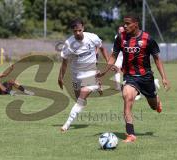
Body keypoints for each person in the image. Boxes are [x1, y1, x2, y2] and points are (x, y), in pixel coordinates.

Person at [97, 13, 170, 142]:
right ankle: (130, 134)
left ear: (136, 24)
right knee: (127, 97)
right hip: (130, 76)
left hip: (146, 77)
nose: (124, 26)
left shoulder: (148, 39)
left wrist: (164, 78)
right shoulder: (120, 38)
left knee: (153, 106)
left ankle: (157, 101)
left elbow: (157, 59)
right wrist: (104, 71)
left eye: (127, 24)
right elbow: (113, 56)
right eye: (124, 23)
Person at [58, 18, 109, 132]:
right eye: (75, 31)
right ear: (72, 31)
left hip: (90, 73)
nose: (78, 33)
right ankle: (97, 85)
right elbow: (64, 62)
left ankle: (66, 125)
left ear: (83, 28)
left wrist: (108, 63)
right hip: (76, 75)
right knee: (80, 101)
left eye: (80, 30)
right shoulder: (68, 44)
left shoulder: (92, 37)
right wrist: (60, 77)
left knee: (81, 99)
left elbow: (102, 48)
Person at [113, 26, 161, 100]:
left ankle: (151, 84)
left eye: (122, 29)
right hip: (121, 58)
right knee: (123, 74)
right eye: (120, 29)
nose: (121, 30)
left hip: (128, 59)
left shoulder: (142, 38)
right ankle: (120, 87)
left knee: (137, 75)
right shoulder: (118, 37)